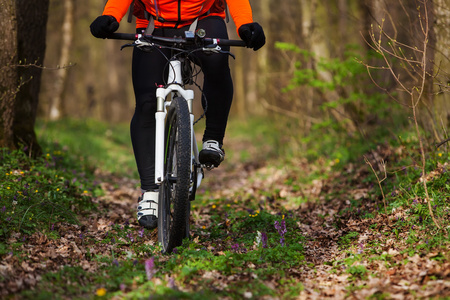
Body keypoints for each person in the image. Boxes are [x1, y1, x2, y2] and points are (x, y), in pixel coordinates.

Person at [90, 0, 265, 229]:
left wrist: (246, 24)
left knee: (218, 62)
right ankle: (150, 192)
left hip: (203, 21)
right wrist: (110, 16)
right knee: (146, 104)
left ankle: (212, 140)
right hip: (155, 24)